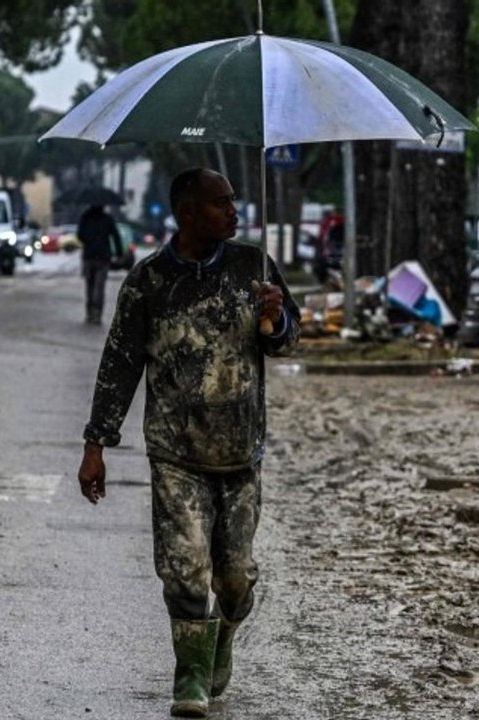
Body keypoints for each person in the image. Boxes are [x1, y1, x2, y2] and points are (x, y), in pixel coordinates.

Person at [76, 168, 301, 717]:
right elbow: (121, 363)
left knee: (235, 578)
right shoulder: (150, 282)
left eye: (233, 201)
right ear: (188, 212)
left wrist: (274, 318)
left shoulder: (254, 267)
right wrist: (96, 443)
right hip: (176, 453)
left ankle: (223, 635)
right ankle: (191, 675)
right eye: (221, 203)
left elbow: (288, 341)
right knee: (182, 571)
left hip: (241, 452)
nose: (234, 211)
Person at [77, 203, 123, 324]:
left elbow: (79, 235)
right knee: (99, 286)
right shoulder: (107, 218)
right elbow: (116, 236)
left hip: (89, 256)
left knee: (90, 285)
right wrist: (119, 254)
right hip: (103, 257)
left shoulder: (85, 217)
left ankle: (89, 312)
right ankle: (97, 313)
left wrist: (89, 239)